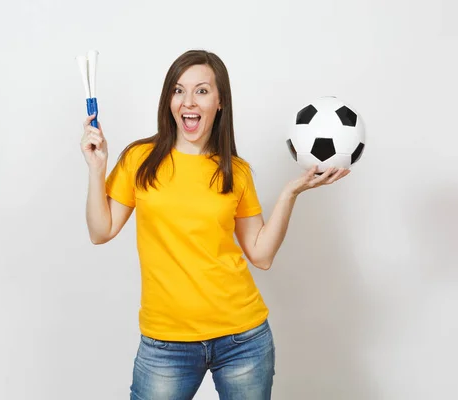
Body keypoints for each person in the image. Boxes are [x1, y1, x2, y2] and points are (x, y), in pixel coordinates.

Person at [80, 49, 350, 400]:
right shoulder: (140, 160)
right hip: (166, 343)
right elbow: (101, 232)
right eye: (179, 90)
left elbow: (261, 255)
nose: (188, 101)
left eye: (202, 91)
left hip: (242, 339)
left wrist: (290, 193)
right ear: (168, 100)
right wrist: (96, 168)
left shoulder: (234, 171)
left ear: (220, 102)